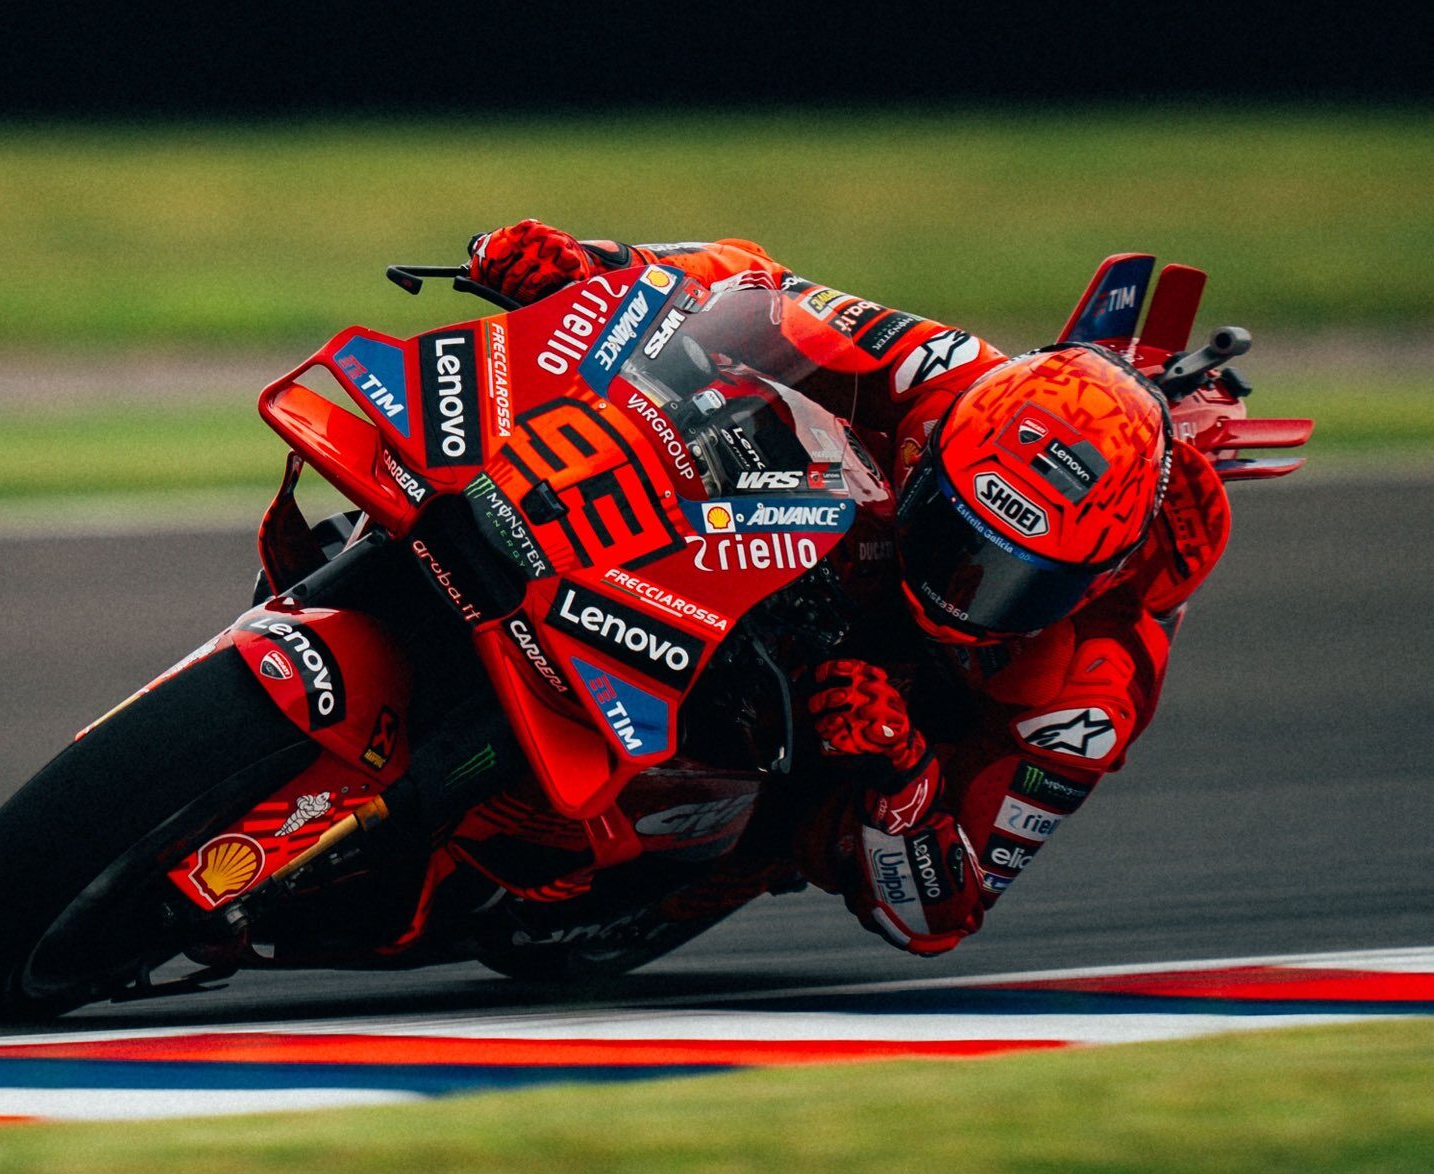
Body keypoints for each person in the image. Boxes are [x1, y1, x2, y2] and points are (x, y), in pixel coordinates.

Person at [463, 219, 1231, 957]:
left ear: (1093, 579)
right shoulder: (939, 369)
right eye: (952, 536)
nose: (960, 589)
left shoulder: (1091, 684)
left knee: (796, 821)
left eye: (1013, 582)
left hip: (844, 726)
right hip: (765, 538)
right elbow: (746, 284)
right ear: (934, 453)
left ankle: (704, 841)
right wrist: (587, 266)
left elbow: (941, 915)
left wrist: (899, 771)